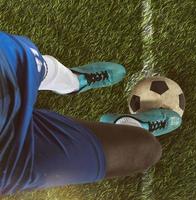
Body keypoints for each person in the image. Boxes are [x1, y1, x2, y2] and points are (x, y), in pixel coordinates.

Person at [0, 31, 182, 195]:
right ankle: (127, 123)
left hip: (5, 86)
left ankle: (73, 81)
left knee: (33, 62)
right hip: (9, 155)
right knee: (146, 148)